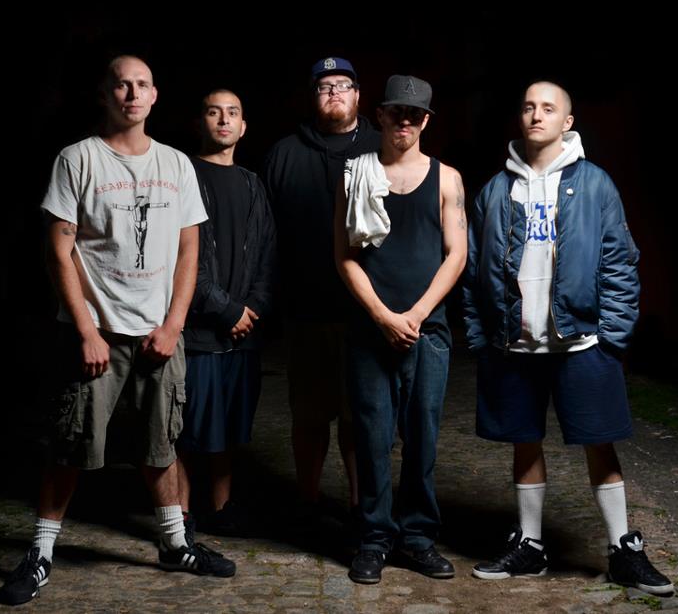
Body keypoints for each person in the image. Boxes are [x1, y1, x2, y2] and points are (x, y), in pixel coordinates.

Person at [0, 55, 234, 607]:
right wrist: (86, 330)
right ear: (105, 95)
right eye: (121, 85)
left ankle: (175, 544)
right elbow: (58, 250)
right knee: (70, 445)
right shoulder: (78, 159)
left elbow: (189, 250)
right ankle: (40, 553)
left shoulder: (176, 164)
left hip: (158, 333)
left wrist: (173, 325)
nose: (131, 93)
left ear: (154, 96)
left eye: (141, 84)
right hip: (97, 330)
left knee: (161, 442)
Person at [463, 80, 673, 595]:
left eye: (548, 108)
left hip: (582, 342)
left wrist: (612, 338)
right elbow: (472, 272)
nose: (537, 115)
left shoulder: (595, 184)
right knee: (523, 441)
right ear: (520, 118)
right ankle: (529, 546)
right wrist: (482, 338)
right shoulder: (495, 190)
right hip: (515, 346)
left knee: (599, 442)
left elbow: (620, 263)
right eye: (528, 107)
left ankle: (623, 549)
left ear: (567, 122)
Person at [334, 75, 467, 584]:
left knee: (422, 438)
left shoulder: (447, 179)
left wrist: (415, 315)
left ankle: (417, 538)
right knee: (371, 438)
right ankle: (374, 539)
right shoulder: (355, 175)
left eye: (415, 115)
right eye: (396, 112)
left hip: (427, 331)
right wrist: (383, 316)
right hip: (371, 329)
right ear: (381, 116)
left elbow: (456, 255)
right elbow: (344, 257)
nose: (405, 122)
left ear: (426, 121)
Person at [263, 57, 380, 522]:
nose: (334, 92)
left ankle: (360, 508)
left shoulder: (380, 147)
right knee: (309, 416)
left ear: (358, 95)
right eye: (324, 86)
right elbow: (267, 233)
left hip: (367, 312)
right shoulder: (284, 153)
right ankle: (307, 503)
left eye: (343, 84)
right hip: (306, 309)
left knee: (360, 416)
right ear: (313, 97)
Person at [175, 89, 276, 538]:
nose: (223, 120)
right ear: (200, 122)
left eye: (232, 113)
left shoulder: (253, 184)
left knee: (230, 428)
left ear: (243, 126)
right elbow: (183, 259)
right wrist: (226, 309)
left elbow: (269, 255)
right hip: (199, 331)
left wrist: (251, 309)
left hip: (243, 333)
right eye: (214, 112)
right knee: (186, 429)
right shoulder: (184, 176)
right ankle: (179, 516)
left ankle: (221, 508)